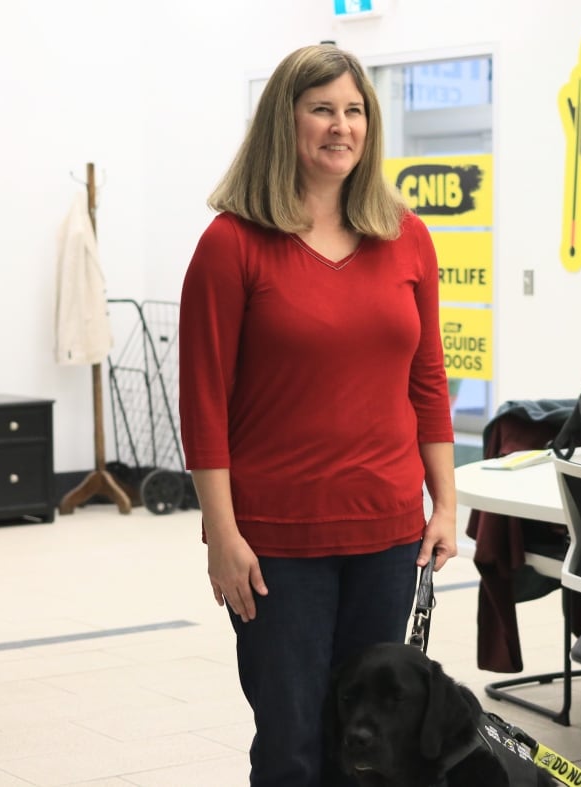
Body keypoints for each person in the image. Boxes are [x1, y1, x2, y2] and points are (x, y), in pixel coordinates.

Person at [177, 43, 457, 786]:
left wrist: (446, 502)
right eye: (322, 109)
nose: (341, 126)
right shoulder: (231, 243)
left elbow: (427, 378)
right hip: (276, 546)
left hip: (386, 532)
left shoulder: (407, 236)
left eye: (354, 111)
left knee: (369, 744)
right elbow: (202, 400)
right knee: (293, 741)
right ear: (286, 121)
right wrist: (222, 534)